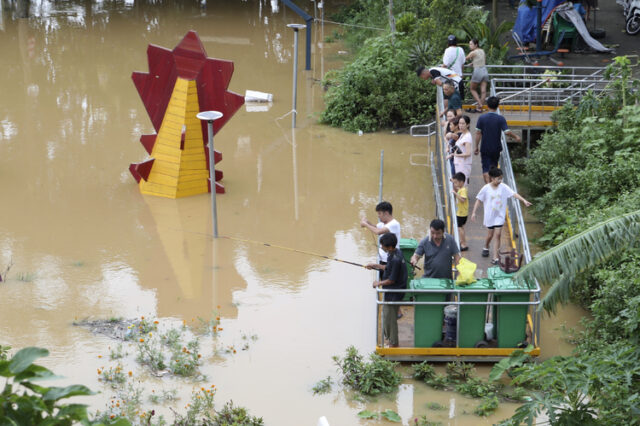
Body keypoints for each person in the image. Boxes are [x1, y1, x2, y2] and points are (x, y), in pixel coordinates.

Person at [470, 167, 532, 264]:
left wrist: (523, 200)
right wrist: (474, 212)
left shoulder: (503, 187)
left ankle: (495, 258)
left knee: (498, 235)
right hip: (490, 216)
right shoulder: (486, 188)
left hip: (499, 216)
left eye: (501, 178)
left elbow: (513, 194)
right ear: (492, 178)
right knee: (490, 235)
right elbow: (479, 200)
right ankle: (486, 246)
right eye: (498, 178)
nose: (500, 180)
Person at [366, 233, 407, 348]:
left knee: (390, 318)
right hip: (393, 291)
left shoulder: (395, 259)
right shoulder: (395, 252)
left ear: (389, 247)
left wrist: (378, 283)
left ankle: (393, 343)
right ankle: (390, 339)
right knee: (387, 316)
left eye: (383, 246)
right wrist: (374, 265)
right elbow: (387, 268)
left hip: (395, 292)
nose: (381, 248)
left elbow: (391, 280)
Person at [474, 96, 521, 183]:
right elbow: (507, 132)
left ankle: (488, 187)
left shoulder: (482, 118)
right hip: (496, 148)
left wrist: (476, 146)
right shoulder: (500, 119)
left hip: (485, 147)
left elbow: (478, 133)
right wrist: (516, 137)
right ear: (498, 106)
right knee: (494, 167)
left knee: (485, 168)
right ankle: (493, 186)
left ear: (487, 106)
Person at [361, 201, 401, 277]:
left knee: (388, 280)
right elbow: (375, 227)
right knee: (382, 278)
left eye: (379, 213)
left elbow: (378, 232)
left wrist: (365, 224)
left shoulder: (394, 224)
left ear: (386, 213)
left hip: (390, 259)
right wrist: (367, 222)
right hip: (382, 259)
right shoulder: (383, 224)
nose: (378, 216)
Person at [447, 115, 472, 185]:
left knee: (462, 185)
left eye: (463, 123)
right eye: (460, 123)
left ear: (467, 125)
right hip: (459, 163)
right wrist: (452, 154)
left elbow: (468, 153)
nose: (460, 125)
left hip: (464, 165)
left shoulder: (467, 137)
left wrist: (455, 154)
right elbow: (460, 148)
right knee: (458, 185)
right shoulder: (462, 135)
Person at [465, 39, 488, 113]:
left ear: (476, 45)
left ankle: (480, 104)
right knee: (483, 91)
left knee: (472, 89)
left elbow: (464, 59)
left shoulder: (473, 52)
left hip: (478, 71)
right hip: (485, 70)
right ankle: (479, 108)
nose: (470, 46)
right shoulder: (482, 51)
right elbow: (483, 60)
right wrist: (473, 63)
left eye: (471, 44)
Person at [452, 172, 469, 251]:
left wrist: (455, 193)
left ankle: (463, 244)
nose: (455, 184)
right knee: (461, 227)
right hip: (461, 212)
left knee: (460, 228)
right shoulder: (461, 189)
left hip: (461, 213)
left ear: (461, 182)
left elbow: (462, 199)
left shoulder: (463, 190)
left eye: (456, 182)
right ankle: (463, 242)